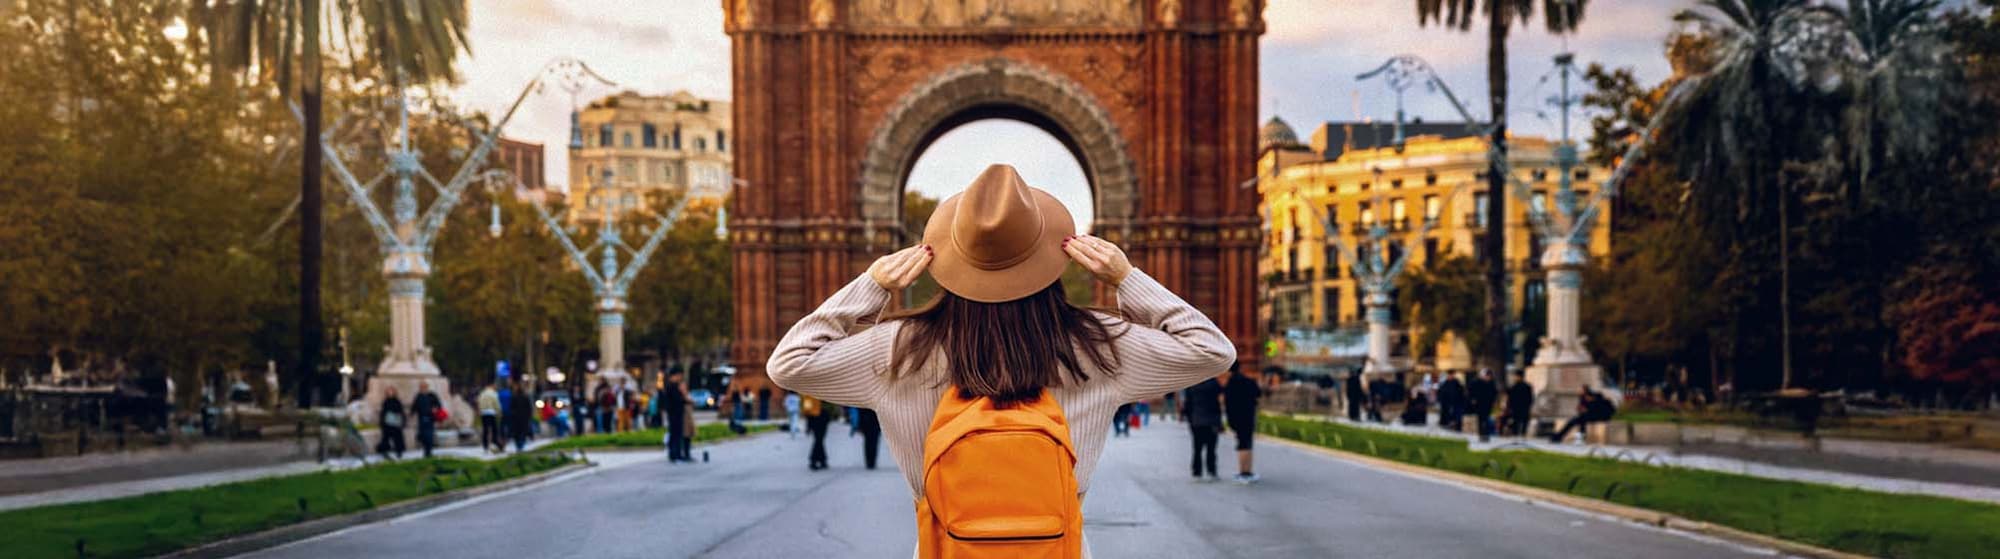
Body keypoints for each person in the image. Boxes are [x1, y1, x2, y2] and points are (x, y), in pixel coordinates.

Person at [766, 165, 1234, 558]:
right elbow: (1212, 350)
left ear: (950, 260)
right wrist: (1125, 278)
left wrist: (872, 285)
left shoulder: (899, 349)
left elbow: (788, 363)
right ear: (1050, 257)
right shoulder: (1096, 345)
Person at [1222, 363, 1261, 484]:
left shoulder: (1230, 384)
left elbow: (1227, 403)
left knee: (1241, 444)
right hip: (1248, 416)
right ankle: (1246, 472)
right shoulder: (1249, 381)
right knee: (1246, 444)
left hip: (1236, 417)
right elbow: (1258, 394)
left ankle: (1243, 471)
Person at [1182, 375, 1223, 482]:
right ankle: (1211, 471)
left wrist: (1189, 419)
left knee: (1197, 448)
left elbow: (1188, 404)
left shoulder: (1192, 382)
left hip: (1197, 420)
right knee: (1211, 448)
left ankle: (1197, 472)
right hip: (1212, 420)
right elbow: (1219, 401)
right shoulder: (1214, 382)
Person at [1551, 386, 1617, 444]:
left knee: (1582, 419)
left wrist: (1587, 410)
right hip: (1588, 416)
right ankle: (1559, 436)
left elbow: (1600, 409)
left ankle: (1580, 437)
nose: (1580, 392)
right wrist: (1582, 409)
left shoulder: (1598, 398)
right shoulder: (1583, 399)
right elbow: (1581, 409)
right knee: (1572, 421)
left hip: (1601, 416)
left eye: (1582, 391)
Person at [660, 370, 691, 462]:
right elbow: (677, 400)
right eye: (678, 376)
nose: (679, 378)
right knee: (675, 434)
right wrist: (686, 400)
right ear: (673, 376)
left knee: (677, 434)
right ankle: (674, 455)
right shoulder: (671, 386)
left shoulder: (674, 386)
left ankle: (677, 454)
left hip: (677, 413)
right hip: (674, 414)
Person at [411, 381, 443, 458]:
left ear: (427, 387)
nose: (423, 388)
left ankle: (428, 451)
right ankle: (426, 449)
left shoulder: (432, 395)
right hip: (421, 418)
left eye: (424, 387)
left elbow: (438, 405)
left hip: (430, 418)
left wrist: (435, 409)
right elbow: (414, 406)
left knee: (429, 435)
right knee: (423, 435)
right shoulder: (418, 396)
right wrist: (411, 413)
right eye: (421, 387)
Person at [1467, 368, 1499, 442]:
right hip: (1480, 405)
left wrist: (1493, 402)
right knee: (1481, 420)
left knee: (1486, 420)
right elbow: (1471, 391)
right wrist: (1473, 400)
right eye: (1487, 376)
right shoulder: (1477, 383)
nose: (1488, 378)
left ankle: (1486, 435)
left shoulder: (1491, 384)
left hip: (1488, 405)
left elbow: (1494, 394)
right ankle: (1481, 435)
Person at [803, 395, 834, 470]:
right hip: (817, 417)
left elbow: (807, 408)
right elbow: (807, 408)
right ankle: (815, 460)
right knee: (819, 440)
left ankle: (821, 460)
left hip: (819, 417)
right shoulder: (810, 394)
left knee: (819, 440)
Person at [376, 387, 407, 460]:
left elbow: (401, 412)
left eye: (391, 391)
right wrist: (382, 422)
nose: (390, 393)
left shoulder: (397, 401)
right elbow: (383, 412)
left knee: (398, 438)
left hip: (396, 423)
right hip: (387, 424)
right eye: (389, 392)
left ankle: (399, 452)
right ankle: (385, 452)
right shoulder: (385, 401)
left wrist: (402, 421)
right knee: (385, 439)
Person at [1503, 372, 1535, 437]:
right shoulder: (1522, 386)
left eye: (1517, 376)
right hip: (1520, 407)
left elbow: (1530, 398)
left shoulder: (1516, 387)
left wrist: (1509, 406)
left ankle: (1518, 434)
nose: (1516, 378)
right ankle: (1521, 433)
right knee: (1520, 421)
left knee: (1519, 421)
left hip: (1519, 407)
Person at [505, 380, 534, 452]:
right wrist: (529, 416)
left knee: (517, 432)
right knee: (523, 432)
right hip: (524, 418)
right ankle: (521, 445)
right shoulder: (525, 397)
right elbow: (529, 408)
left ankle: (518, 445)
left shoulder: (514, 397)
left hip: (516, 418)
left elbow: (511, 408)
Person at [477, 382, 502, 453]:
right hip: (491, 412)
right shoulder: (493, 393)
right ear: (492, 386)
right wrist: (499, 411)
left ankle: (485, 446)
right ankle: (494, 443)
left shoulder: (482, 394)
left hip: (483, 413)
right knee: (494, 429)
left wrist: (480, 410)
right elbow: (496, 403)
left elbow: (479, 402)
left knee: (485, 430)